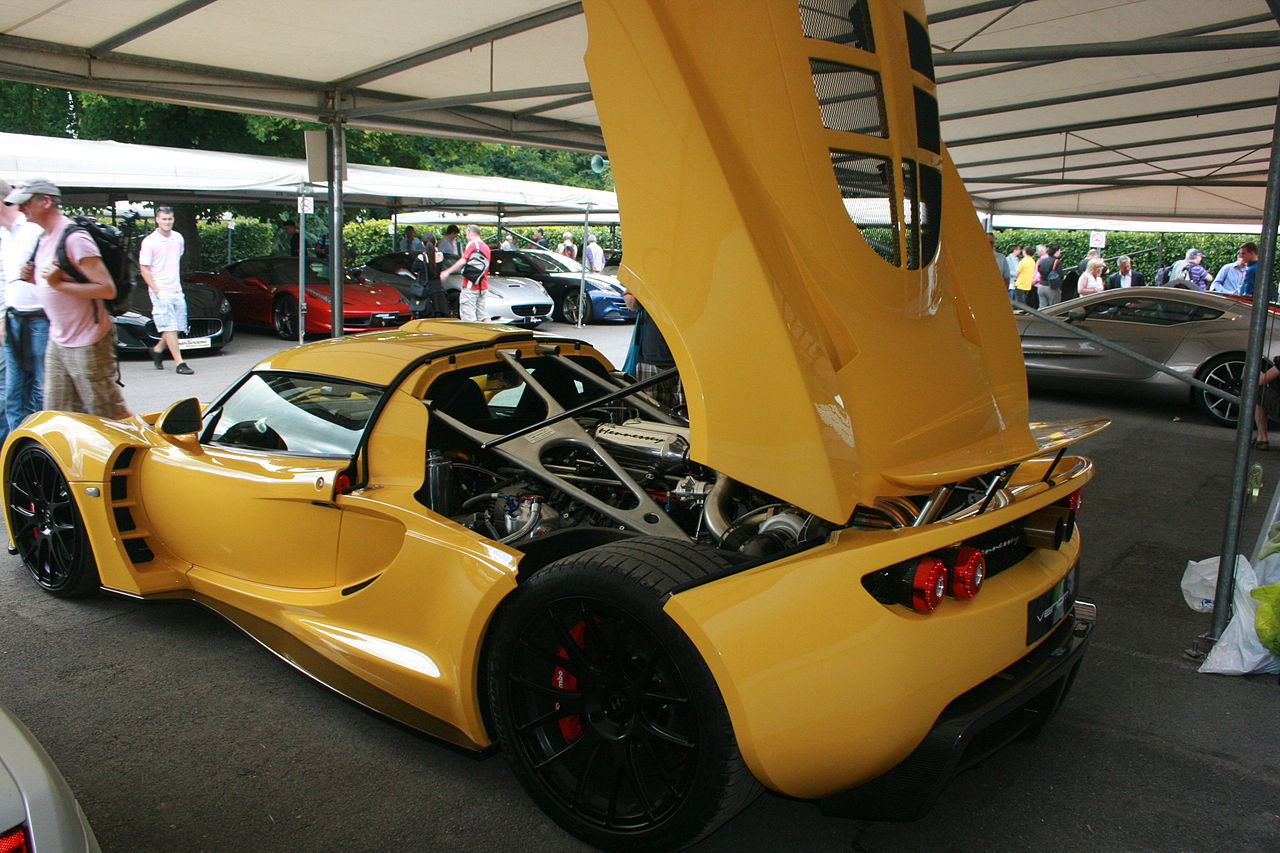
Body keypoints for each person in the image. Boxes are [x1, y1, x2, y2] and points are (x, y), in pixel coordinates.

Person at [6, 178, 129, 419]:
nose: (20, 209)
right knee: (60, 417)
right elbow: (56, 282)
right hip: (59, 339)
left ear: (46, 201)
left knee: (108, 414)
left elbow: (106, 289)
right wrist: (35, 280)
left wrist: (57, 284)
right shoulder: (44, 238)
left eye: (25, 203)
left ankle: (141, 453)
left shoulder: (75, 239)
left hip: (88, 341)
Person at [0, 180, 44, 437]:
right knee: (12, 394)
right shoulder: (7, 235)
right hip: (14, 318)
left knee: (40, 392)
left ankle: (39, 448)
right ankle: (14, 452)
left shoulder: (31, 230)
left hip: (39, 319)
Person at [139, 206, 193, 375]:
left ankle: (157, 350)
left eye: (170, 219)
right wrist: (156, 290)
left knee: (176, 326)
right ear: (157, 220)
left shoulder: (178, 238)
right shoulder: (150, 242)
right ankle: (180, 362)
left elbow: (178, 257)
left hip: (176, 288)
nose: (167, 222)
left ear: (173, 220)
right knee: (169, 326)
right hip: (160, 290)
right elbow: (144, 268)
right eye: (164, 219)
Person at [622, 292, 682, 411]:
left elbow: (631, 303)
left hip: (671, 358)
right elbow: (632, 303)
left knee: (655, 413)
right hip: (660, 356)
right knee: (657, 414)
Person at [440, 225, 490, 322]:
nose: (466, 236)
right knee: (483, 315)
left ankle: (472, 336)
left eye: (466, 234)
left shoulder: (473, 245)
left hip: (470, 285)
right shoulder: (485, 246)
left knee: (468, 316)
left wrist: (447, 271)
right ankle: (490, 334)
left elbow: (463, 261)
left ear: (470, 233)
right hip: (483, 285)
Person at [410, 233, 449, 318]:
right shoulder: (441, 256)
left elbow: (414, 270)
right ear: (436, 242)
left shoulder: (420, 258)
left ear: (422, 244)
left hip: (426, 292)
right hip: (439, 292)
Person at [1036, 243, 1064, 307]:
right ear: (1056, 251)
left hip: (1041, 286)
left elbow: (1039, 271)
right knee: (1054, 308)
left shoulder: (1042, 260)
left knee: (1042, 308)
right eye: (1059, 250)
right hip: (1052, 288)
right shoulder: (1057, 262)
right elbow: (1061, 275)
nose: (1060, 252)